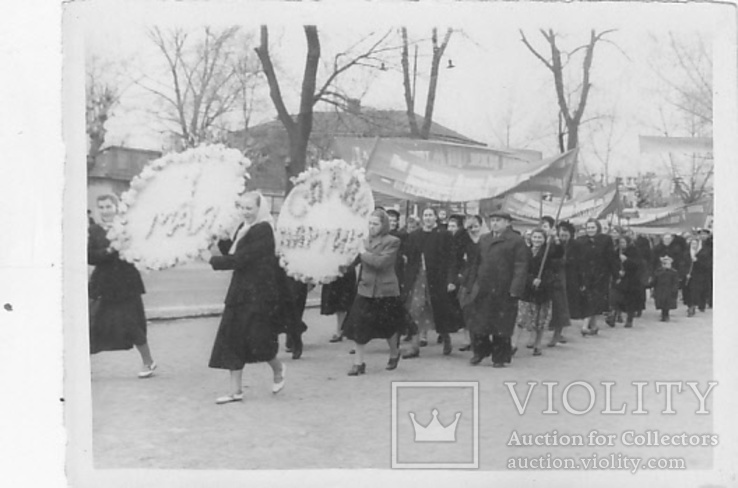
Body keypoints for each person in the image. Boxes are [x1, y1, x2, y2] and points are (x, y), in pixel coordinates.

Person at [207, 192, 287, 404]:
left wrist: (212, 260)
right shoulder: (245, 228)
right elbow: (234, 251)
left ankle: (278, 368)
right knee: (232, 338)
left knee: (259, 340)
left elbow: (242, 258)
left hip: (259, 294)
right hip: (240, 291)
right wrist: (221, 239)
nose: (245, 212)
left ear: (259, 209)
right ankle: (235, 391)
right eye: (242, 207)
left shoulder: (264, 230)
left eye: (249, 208)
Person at [88, 194, 156, 378]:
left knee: (133, 324)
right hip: (103, 284)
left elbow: (141, 249)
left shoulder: (128, 227)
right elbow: (90, 256)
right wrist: (110, 249)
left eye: (108, 206)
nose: (105, 211)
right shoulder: (93, 230)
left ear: (116, 207)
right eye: (101, 207)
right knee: (92, 323)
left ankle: (148, 362)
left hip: (127, 283)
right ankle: (83, 366)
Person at [342, 209, 405, 375]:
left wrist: (363, 252)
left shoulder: (393, 241)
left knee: (389, 327)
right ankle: (359, 363)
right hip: (366, 289)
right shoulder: (363, 240)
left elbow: (381, 262)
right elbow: (353, 261)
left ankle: (394, 353)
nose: (372, 227)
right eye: (370, 223)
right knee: (358, 325)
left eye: (375, 224)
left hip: (386, 290)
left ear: (383, 225)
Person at [465, 211, 529, 367]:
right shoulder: (484, 239)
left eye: (498, 220)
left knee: (502, 325)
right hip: (483, 288)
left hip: (504, 289)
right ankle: (480, 352)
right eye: (492, 220)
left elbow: (521, 266)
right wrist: (471, 283)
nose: (494, 223)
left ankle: (499, 357)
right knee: (479, 323)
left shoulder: (516, 240)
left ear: (507, 223)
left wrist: (515, 288)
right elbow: (476, 263)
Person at [402, 207, 457, 358]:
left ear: (435, 218)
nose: (427, 218)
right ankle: (414, 346)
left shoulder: (444, 235)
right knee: (415, 309)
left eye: (430, 215)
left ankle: (446, 338)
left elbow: (452, 259)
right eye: (425, 215)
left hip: (438, 279)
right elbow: (409, 258)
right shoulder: (414, 236)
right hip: (418, 279)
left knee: (439, 310)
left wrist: (451, 280)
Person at [517, 228, 563, 356]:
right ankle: (513, 344)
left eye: (540, 238)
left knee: (540, 319)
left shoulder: (548, 251)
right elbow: (521, 269)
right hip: (527, 288)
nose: (537, 240)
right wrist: (531, 280)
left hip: (543, 289)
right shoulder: (525, 251)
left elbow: (559, 253)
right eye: (535, 237)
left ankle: (537, 344)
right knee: (522, 318)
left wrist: (555, 238)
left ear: (544, 240)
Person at [576, 218, 619, 336]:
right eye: (588, 228)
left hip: (601, 275)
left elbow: (611, 258)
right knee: (588, 299)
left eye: (592, 227)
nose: (590, 230)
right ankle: (588, 326)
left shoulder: (605, 240)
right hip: (585, 275)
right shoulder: (580, 241)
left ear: (597, 228)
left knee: (596, 300)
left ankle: (591, 325)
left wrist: (616, 274)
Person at [456, 215, 487, 352]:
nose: (473, 229)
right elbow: (456, 243)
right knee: (466, 307)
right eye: (471, 227)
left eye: (476, 226)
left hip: (482, 275)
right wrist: (464, 228)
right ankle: (467, 338)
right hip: (469, 275)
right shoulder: (466, 239)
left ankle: (479, 340)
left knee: (480, 309)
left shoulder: (486, 239)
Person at [540, 216, 570, 347]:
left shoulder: (558, 243)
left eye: (546, 226)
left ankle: (557, 334)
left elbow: (560, 257)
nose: (543, 229)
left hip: (556, 278)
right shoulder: (538, 240)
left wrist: (555, 240)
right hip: (542, 278)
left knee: (558, 307)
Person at [606, 236, 642, 328]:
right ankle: (613, 316)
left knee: (630, 300)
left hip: (631, 280)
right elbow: (612, 263)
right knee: (615, 298)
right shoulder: (617, 251)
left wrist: (626, 261)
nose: (622, 244)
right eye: (620, 242)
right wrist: (617, 272)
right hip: (619, 278)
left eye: (624, 242)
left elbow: (637, 265)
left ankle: (629, 319)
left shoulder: (634, 251)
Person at [446, 214, 469, 347]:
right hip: (450, 276)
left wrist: (459, 276)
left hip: (461, 277)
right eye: (449, 226)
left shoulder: (463, 240)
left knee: (464, 308)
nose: (451, 229)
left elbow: (462, 260)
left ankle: (467, 339)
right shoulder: (448, 239)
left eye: (453, 226)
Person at [557, 221, 586, 326]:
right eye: (560, 231)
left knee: (569, 303)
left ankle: (563, 328)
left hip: (571, 277)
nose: (562, 233)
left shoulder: (577, 245)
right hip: (557, 276)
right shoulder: (554, 244)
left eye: (565, 231)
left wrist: (582, 281)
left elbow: (581, 263)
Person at [321, 266, 357, 343]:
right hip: (333, 269)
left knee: (343, 301)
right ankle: (341, 329)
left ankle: (341, 330)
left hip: (344, 269)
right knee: (339, 302)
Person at [684, 236, 712, 316]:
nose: (694, 245)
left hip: (699, 276)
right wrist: (686, 273)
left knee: (695, 291)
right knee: (687, 292)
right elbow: (683, 263)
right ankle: (689, 305)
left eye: (695, 244)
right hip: (688, 276)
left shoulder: (703, 253)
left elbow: (707, 265)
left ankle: (692, 307)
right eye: (692, 243)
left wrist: (697, 261)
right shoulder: (686, 252)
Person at [653, 255, 680, 322]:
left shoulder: (673, 272)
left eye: (669, 263)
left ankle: (666, 315)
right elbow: (655, 280)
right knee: (661, 302)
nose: (667, 265)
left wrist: (675, 289)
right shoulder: (658, 271)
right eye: (665, 263)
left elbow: (676, 282)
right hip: (660, 289)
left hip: (669, 290)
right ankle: (663, 314)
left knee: (668, 303)